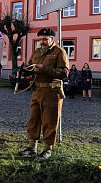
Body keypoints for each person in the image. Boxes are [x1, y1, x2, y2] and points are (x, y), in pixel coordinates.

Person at [18, 28, 69, 160]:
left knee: (49, 121)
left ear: (52, 39)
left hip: (52, 92)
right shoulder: (37, 52)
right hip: (37, 91)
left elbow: (64, 73)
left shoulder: (59, 52)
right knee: (33, 120)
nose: (42, 42)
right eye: (40, 39)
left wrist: (44, 68)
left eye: (45, 39)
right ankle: (32, 147)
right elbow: (30, 66)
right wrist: (23, 71)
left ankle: (47, 150)